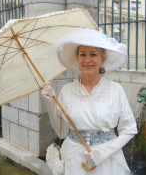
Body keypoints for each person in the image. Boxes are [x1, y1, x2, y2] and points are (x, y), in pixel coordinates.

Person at [41, 28, 137, 175]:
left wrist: (104, 154)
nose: (87, 60)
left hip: (107, 160)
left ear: (103, 59)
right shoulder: (67, 91)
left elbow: (129, 129)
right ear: (77, 58)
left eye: (93, 54)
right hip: (74, 159)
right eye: (83, 54)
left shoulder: (115, 90)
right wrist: (50, 104)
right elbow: (61, 132)